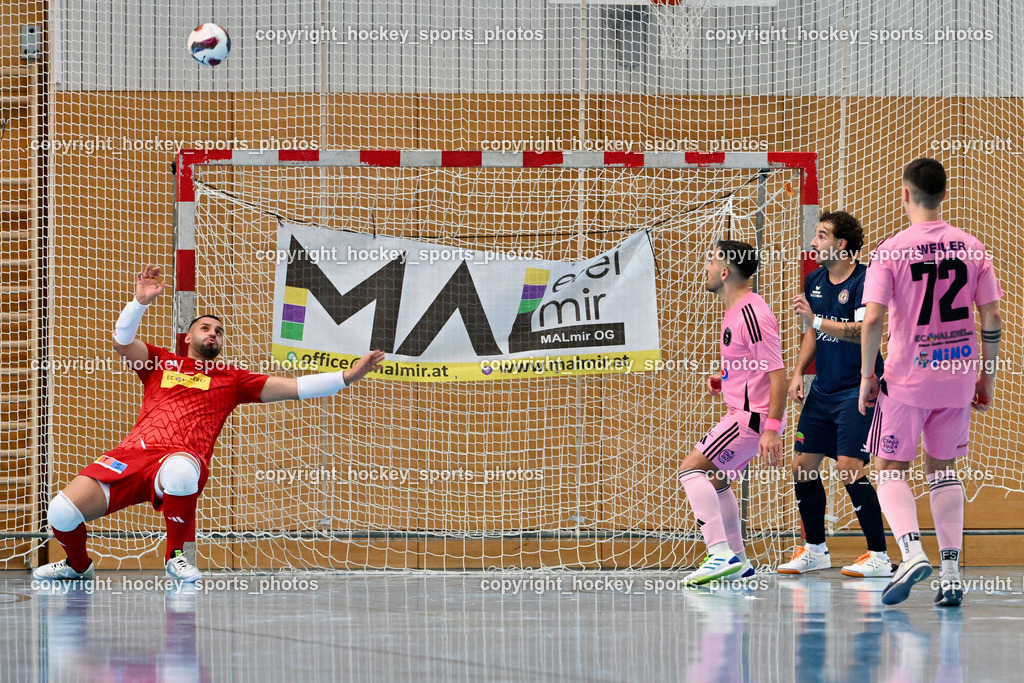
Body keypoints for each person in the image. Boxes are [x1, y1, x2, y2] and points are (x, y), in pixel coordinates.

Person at [33, 265, 385, 582]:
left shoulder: (232, 379)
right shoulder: (161, 363)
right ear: (188, 337)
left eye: (219, 330)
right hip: (132, 456)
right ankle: (78, 565)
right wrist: (139, 303)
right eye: (205, 327)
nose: (213, 333)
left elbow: (296, 388)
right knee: (61, 511)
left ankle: (175, 555)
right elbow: (122, 342)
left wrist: (347, 376)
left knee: (180, 471)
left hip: (179, 458)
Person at [859, 158, 1002, 606]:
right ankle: (952, 573)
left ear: (906, 194)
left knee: (888, 469)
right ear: (944, 194)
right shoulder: (972, 246)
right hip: (958, 376)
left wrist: (867, 375)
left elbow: (873, 319)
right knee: (943, 470)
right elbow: (992, 316)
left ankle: (911, 554)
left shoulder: (891, 250)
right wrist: (987, 375)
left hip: (907, 378)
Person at [778, 211, 891, 577]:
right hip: (823, 390)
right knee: (802, 467)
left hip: (859, 388)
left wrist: (814, 319)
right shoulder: (814, 279)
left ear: (841, 244)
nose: (814, 242)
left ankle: (879, 556)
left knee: (848, 469)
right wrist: (798, 372)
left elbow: (862, 332)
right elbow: (812, 334)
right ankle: (815, 550)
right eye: (816, 234)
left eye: (822, 235)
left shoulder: (864, 280)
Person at [679, 240, 787, 585]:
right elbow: (750, 364)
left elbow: (778, 375)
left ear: (725, 272)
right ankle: (738, 561)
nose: (706, 268)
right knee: (716, 479)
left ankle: (718, 553)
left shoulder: (752, 315)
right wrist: (724, 378)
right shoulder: (735, 311)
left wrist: (771, 429)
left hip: (753, 417)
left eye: (711, 261)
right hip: (746, 412)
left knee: (690, 470)